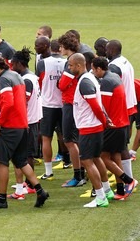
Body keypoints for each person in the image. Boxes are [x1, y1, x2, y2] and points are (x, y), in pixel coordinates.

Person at [0, 55, 49, 209]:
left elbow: (8, 102)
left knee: (2, 161)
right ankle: (40, 191)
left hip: (9, 127)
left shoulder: (4, 80)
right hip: (22, 126)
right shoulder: (16, 76)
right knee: (20, 161)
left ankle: (1, 199)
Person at [91, 57, 137, 200]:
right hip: (123, 123)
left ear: (99, 69)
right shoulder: (115, 77)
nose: (92, 72)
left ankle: (129, 181)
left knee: (103, 157)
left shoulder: (105, 83)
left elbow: (103, 108)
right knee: (115, 156)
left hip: (113, 125)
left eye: (93, 69)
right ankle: (121, 191)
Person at [68, 53, 111, 207]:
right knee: (96, 158)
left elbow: (95, 106)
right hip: (93, 126)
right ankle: (107, 190)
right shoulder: (89, 78)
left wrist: (104, 121)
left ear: (79, 65)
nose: (69, 67)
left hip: (89, 127)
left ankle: (100, 197)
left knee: (86, 160)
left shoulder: (85, 82)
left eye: (71, 65)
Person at [9, 47, 43, 199]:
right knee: (26, 153)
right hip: (33, 118)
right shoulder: (32, 76)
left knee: (27, 154)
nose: (11, 66)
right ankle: (28, 183)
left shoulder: (27, 80)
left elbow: (24, 100)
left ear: (19, 64)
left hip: (28, 121)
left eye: (13, 64)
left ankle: (30, 185)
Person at [36, 39, 67, 181]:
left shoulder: (43, 63)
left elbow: (39, 82)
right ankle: (69, 162)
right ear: (60, 49)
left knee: (46, 137)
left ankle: (48, 172)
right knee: (66, 136)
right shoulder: (67, 62)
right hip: (63, 104)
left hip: (48, 104)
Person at [58, 32, 86, 187]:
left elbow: (62, 85)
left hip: (70, 103)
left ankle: (78, 175)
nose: (59, 49)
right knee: (76, 140)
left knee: (69, 140)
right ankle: (82, 172)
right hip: (75, 103)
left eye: (61, 46)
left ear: (66, 47)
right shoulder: (77, 60)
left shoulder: (71, 62)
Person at [106, 39, 137, 180]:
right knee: (121, 145)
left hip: (121, 110)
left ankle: (128, 178)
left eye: (107, 50)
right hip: (130, 105)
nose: (106, 52)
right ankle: (122, 174)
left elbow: (112, 87)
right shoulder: (125, 61)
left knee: (120, 147)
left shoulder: (113, 67)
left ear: (111, 50)